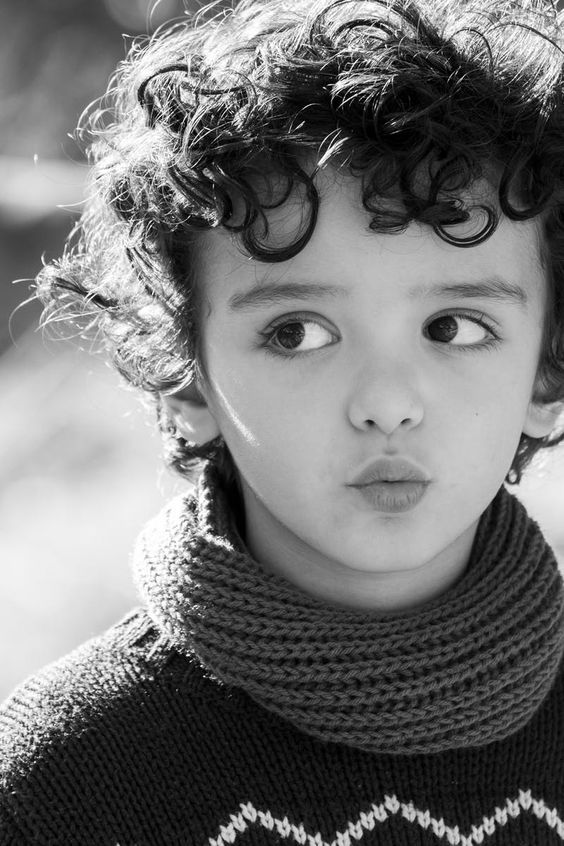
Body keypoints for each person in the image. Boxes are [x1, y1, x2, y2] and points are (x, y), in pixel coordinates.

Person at [2, 0, 564, 842]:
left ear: (547, 371)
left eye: (453, 328)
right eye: (296, 333)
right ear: (188, 382)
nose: (386, 402)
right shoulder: (66, 778)